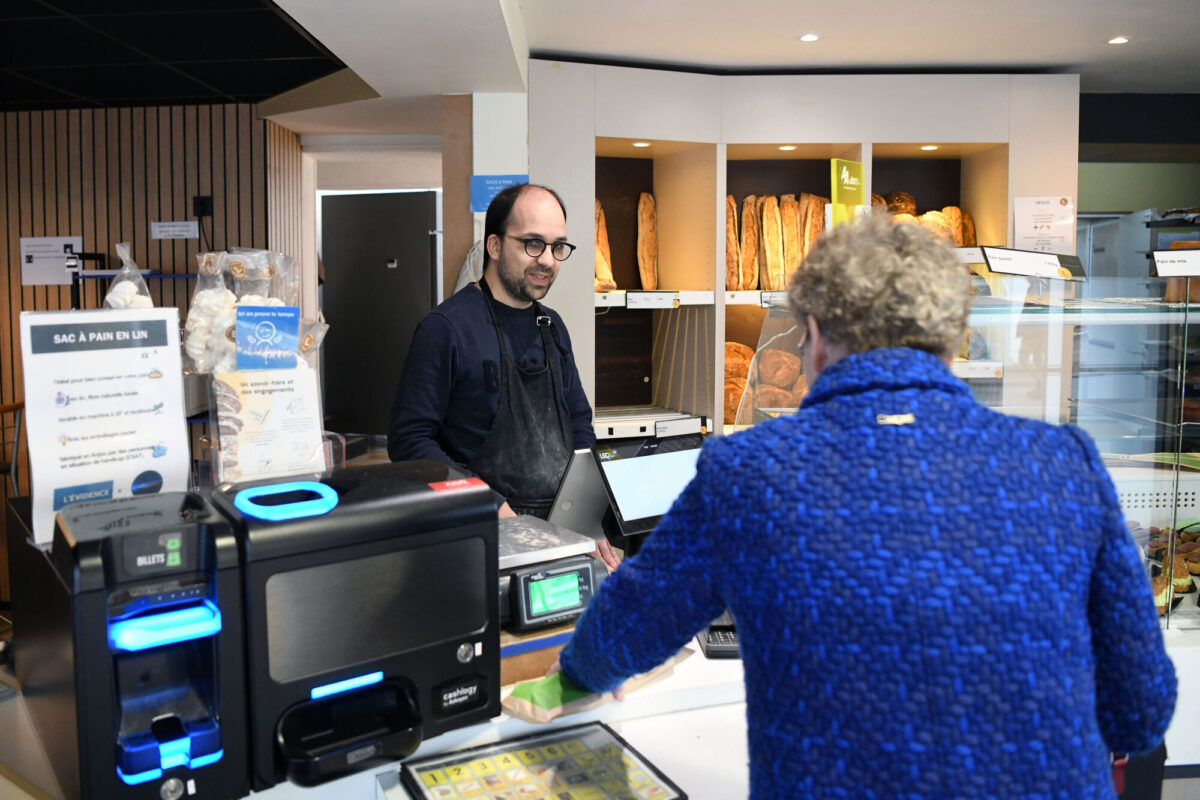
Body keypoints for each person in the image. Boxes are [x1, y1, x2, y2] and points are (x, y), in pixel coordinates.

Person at [556, 213, 1176, 798]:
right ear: (953, 343)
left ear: (818, 336)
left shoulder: (749, 471)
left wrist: (576, 670)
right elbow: (1142, 708)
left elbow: (619, 638)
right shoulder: (1063, 462)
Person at [388, 183, 596, 521]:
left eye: (557, 247)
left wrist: (586, 506)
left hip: (560, 525)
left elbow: (579, 422)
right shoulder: (445, 329)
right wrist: (489, 502)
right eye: (533, 243)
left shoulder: (552, 327)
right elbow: (409, 442)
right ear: (495, 246)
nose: (547, 260)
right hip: (480, 525)